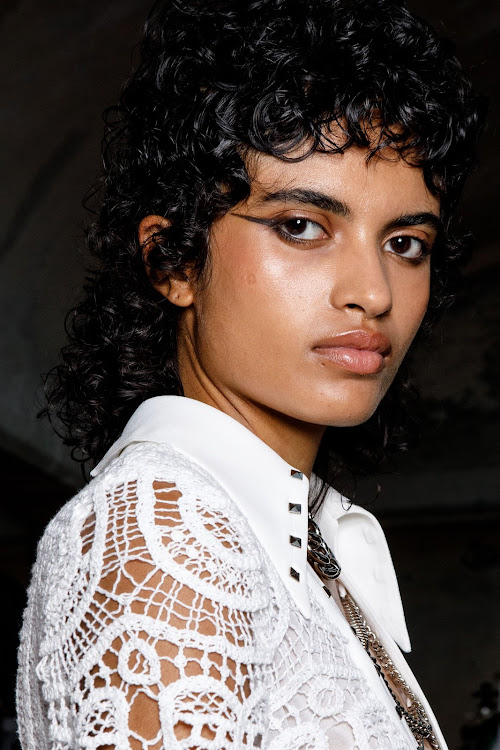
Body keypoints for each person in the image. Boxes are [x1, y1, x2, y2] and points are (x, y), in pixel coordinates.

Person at [16, 0, 485, 748]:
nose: (373, 291)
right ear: (174, 261)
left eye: (404, 242)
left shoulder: (288, 534)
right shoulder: (164, 537)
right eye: (302, 226)